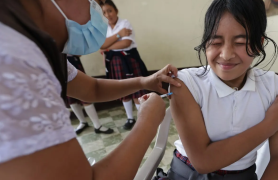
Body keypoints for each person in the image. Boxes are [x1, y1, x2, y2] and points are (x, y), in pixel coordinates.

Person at [0, 0, 181, 180]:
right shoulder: (12, 60)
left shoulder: (40, 48)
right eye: (93, 2)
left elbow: (92, 89)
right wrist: (148, 122)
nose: (99, 13)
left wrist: (144, 81)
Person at [154, 0, 278, 180]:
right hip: (188, 174)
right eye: (216, 42)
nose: (226, 54)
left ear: (259, 43)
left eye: (240, 42)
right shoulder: (185, 83)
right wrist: (272, 123)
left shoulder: (275, 88)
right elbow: (203, 161)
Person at [100, 0, 149, 130]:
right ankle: (130, 118)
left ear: (115, 10)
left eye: (109, 10)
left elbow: (126, 43)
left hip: (128, 60)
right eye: (104, 12)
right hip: (114, 63)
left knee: (136, 91)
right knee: (122, 91)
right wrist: (118, 35)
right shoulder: (105, 28)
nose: (108, 14)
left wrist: (107, 47)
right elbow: (101, 45)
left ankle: (142, 119)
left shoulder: (125, 23)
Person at [66, 55, 114, 134]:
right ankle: (82, 122)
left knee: (85, 96)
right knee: (70, 99)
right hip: (58, 65)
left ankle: (97, 125)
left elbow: (79, 52)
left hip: (72, 62)